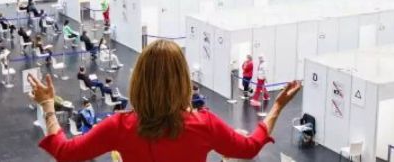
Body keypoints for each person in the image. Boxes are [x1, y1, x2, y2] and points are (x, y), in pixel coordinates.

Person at [28, 39, 300, 161]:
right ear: (182, 81)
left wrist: (48, 106)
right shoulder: (203, 124)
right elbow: (250, 147)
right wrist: (277, 107)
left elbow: (66, 152)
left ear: (139, 81)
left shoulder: (120, 127)